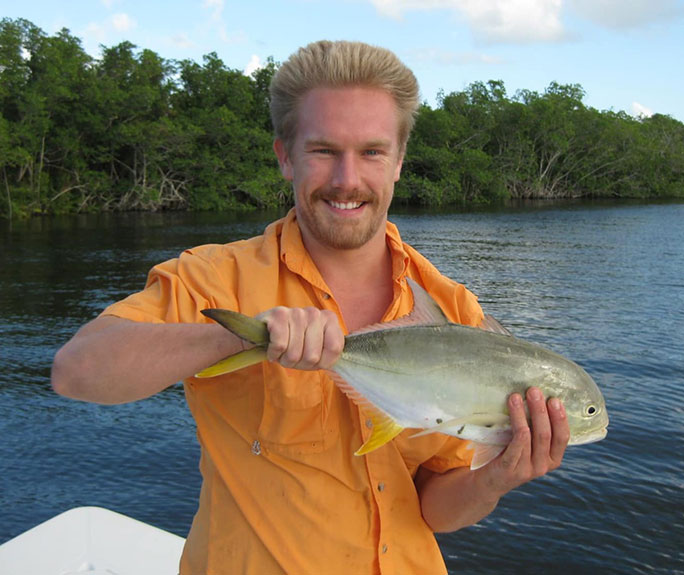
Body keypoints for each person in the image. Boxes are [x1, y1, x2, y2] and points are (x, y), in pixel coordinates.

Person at [51, 40, 570, 574]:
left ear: (398, 162)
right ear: (285, 157)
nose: (347, 180)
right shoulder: (214, 278)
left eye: (371, 151)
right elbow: (78, 372)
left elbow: (434, 508)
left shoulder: (454, 309)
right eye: (324, 150)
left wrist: (496, 477)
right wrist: (243, 336)